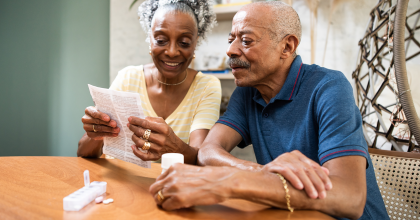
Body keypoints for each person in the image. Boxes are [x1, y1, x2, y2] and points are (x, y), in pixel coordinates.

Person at [149, 2, 389, 219]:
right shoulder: (247, 91)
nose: (230, 51)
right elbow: (207, 151)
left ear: (287, 46)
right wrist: (262, 173)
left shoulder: (329, 87)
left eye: (246, 40)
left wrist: (228, 182)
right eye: (231, 39)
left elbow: (350, 198)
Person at [77, 0, 221, 164]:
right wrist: (96, 132)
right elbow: (82, 152)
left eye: (184, 43)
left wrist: (173, 147)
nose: (172, 52)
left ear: (196, 42)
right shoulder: (128, 78)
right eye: (161, 40)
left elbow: (200, 159)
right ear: (150, 39)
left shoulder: (206, 86)